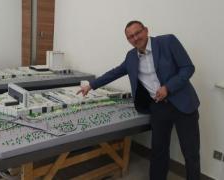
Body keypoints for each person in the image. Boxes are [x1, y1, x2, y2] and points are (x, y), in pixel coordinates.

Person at [77, 20, 200, 180]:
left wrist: (168, 87)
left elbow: (188, 68)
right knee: (158, 151)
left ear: (146, 30)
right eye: (130, 37)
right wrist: (91, 86)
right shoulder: (131, 57)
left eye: (137, 33)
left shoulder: (167, 41)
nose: (135, 38)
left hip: (183, 104)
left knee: (191, 153)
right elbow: (114, 72)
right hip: (158, 108)